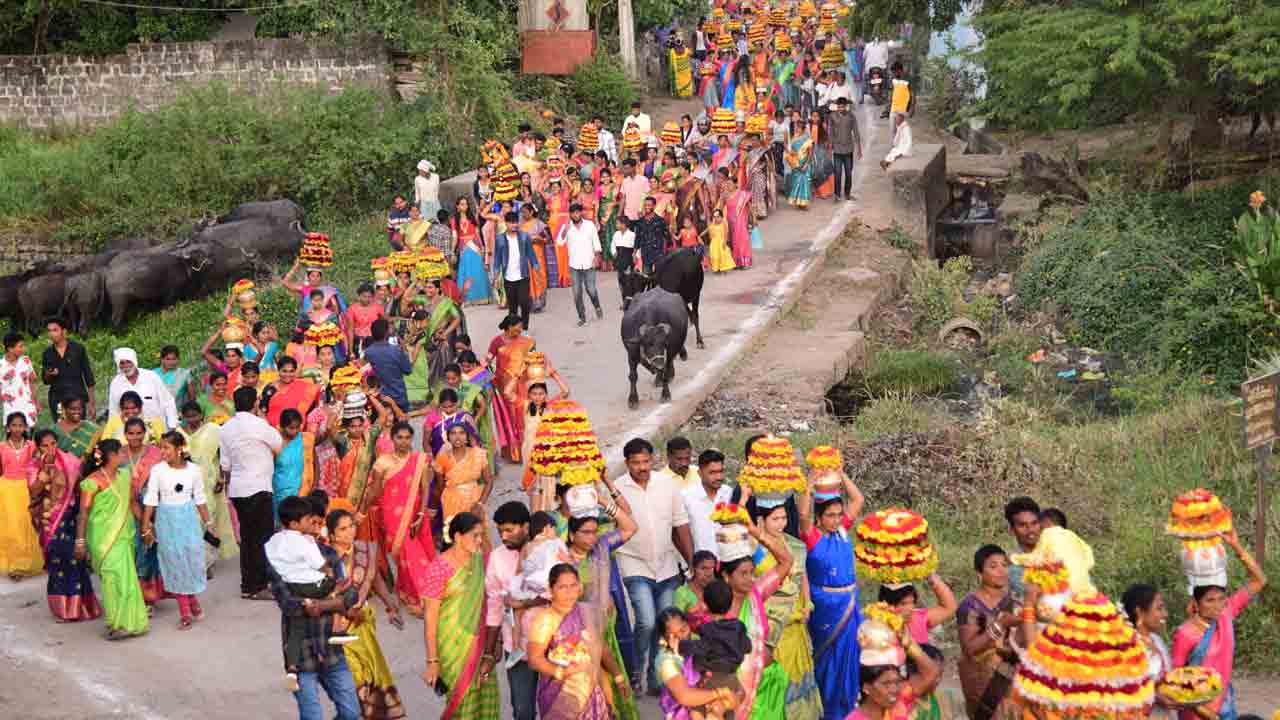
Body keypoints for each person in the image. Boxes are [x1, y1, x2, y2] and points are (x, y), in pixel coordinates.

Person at [614, 437, 694, 695]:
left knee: (665, 624)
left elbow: (680, 525)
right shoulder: (617, 489)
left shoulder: (666, 485)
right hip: (633, 562)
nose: (642, 467)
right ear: (627, 463)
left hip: (667, 565)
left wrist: (692, 562)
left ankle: (656, 676)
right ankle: (637, 670)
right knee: (647, 621)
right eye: (636, 463)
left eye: (646, 461)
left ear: (653, 460)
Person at [266, 511, 362, 720]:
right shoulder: (278, 558)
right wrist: (331, 602)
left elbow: (350, 595)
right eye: (311, 524)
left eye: (320, 523)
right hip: (301, 654)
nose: (317, 529)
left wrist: (320, 604)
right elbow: (288, 604)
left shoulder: (329, 555)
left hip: (331, 649)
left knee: (352, 713)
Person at [1172, 530, 1267, 720]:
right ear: (1196, 603)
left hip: (1225, 704)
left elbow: (1259, 580)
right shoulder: (1185, 634)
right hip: (1196, 713)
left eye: (1221, 598)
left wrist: (1236, 545)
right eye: (1210, 600)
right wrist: (1206, 714)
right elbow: (1174, 684)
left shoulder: (1226, 613)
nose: (1217, 605)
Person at [324, 507, 406, 719]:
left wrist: (390, 604)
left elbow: (375, 578)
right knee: (356, 681)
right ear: (332, 535)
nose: (349, 531)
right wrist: (348, 611)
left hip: (363, 623)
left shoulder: (363, 551)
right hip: (338, 627)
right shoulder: (324, 559)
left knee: (370, 675)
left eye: (351, 526)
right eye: (342, 529)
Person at [714, 504, 795, 718]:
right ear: (726, 576)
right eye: (744, 574)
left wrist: (753, 530)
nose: (751, 579)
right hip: (733, 693)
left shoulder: (756, 593)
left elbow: (786, 561)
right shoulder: (715, 609)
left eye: (752, 572)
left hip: (764, 689)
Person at [799, 467, 866, 720]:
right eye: (830, 516)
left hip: (849, 603)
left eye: (839, 515)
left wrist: (842, 474)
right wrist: (809, 484)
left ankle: (849, 709)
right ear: (819, 518)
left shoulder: (842, 532)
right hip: (825, 607)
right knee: (828, 662)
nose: (837, 519)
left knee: (851, 659)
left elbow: (857, 500)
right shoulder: (812, 536)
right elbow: (803, 512)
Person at [751, 495, 823, 720]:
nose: (781, 523)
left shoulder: (795, 545)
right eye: (775, 519)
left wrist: (808, 603)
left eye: (784, 518)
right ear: (761, 521)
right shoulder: (753, 548)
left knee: (798, 673)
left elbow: (803, 577)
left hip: (797, 619)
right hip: (771, 620)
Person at [422, 511, 499, 718]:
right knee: (462, 700)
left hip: (481, 643)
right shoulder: (439, 568)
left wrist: (495, 645)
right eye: (475, 535)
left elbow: (490, 603)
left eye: (481, 535)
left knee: (485, 696)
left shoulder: (480, 561)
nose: (480, 540)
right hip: (453, 646)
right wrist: (432, 661)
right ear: (457, 537)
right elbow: (430, 616)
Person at [74, 439, 149, 640]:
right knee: (109, 578)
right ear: (111, 456)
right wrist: (80, 541)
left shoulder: (125, 476)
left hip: (124, 535)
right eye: (121, 453)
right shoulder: (92, 482)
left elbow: (133, 503)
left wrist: (146, 527)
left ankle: (126, 623)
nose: (125, 456)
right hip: (100, 539)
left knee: (124, 577)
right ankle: (117, 620)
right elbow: (83, 513)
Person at [526, 563, 617, 719]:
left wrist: (618, 675)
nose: (569, 592)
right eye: (562, 587)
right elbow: (534, 659)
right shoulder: (545, 619)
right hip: (560, 692)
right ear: (550, 589)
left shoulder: (586, 611)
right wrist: (562, 672)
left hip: (591, 687)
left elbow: (600, 647)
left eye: (573, 585)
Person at [141, 430, 211, 630]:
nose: (162, 452)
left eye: (166, 448)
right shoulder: (158, 471)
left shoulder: (193, 471)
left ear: (180, 449)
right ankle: (185, 612)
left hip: (188, 520)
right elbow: (151, 499)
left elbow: (200, 498)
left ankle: (193, 601)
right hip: (167, 521)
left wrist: (209, 524)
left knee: (189, 561)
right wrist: (146, 526)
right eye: (161, 447)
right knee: (175, 562)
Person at [220, 386, 285, 600]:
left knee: (248, 538)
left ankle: (248, 585)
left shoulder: (226, 428)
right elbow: (278, 445)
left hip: (238, 489)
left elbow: (225, 464)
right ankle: (258, 585)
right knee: (262, 537)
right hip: (258, 487)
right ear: (255, 403)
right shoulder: (259, 425)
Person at [31, 429, 100, 620]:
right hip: (48, 521)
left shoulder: (69, 461)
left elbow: (80, 486)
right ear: (38, 448)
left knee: (74, 560)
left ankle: (82, 608)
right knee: (56, 560)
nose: (50, 448)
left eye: (53, 443)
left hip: (69, 517)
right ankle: (62, 609)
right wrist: (45, 470)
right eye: (45, 445)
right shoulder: (34, 465)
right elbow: (35, 492)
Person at [371, 421, 435, 615]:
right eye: (399, 437)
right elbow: (375, 491)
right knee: (403, 557)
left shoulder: (420, 460)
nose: (404, 442)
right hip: (391, 515)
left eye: (407, 438)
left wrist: (422, 514)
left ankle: (421, 598)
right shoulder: (382, 462)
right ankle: (409, 592)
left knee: (416, 557)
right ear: (392, 439)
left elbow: (425, 490)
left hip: (416, 514)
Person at [956, 545, 1018, 720]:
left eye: (1004, 565)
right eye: (993, 566)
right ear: (979, 573)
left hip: (1013, 679)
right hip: (984, 683)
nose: (1001, 571)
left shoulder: (1014, 601)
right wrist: (1000, 625)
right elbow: (970, 649)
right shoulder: (969, 606)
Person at [179, 401, 238, 571]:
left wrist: (222, 479)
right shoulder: (178, 434)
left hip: (210, 483)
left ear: (201, 415)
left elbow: (223, 454)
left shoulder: (213, 430)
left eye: (195, 416)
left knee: (208, 522)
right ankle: (196, 562)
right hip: (186, 485)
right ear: (182, 417)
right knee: (191, 523)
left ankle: (207, 562)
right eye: (188, 416)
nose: (192, 420)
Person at [655, 608, 741, 719]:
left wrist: (727, 702)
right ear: (665, 639)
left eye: (683, 630)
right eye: (673, 635)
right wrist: (721, 693)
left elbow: (738, 688)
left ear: (688, 625)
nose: (681, 637)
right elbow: (685, 697)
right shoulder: (666, 661)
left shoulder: (699, 645)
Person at [1122, 583, 1175, 720]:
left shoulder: (1156, 640)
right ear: (1139, 612)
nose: (1165, 614)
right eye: (1159, 608)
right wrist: (1154, 696)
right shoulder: (1127, 645)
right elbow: (1124, 687)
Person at [432, 416, 493, 531]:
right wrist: (434, 510)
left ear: (467, 437)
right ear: (448, 438)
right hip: (451, 502)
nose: (457, 437)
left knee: (476, 537)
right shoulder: (442, 458)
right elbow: (439, 487)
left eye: (461, 433)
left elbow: (489, 480)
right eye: (453, 433)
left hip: (474, 501)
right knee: (456, 537)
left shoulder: (478, 454)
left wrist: (480, 504)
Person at [0, 412, 41, 579]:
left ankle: (27, 563)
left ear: (25, 427)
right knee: (11, 526)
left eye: (20, 425)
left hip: (26, 488)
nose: (17, 429)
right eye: (13, 425)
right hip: (7, 489)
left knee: (27, 525)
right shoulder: (1, 447)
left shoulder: (32, 446)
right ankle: (14, 565)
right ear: (8, 428)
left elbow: (37, 466)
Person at [491, 316, 538, 461]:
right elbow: (487, 359)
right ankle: (512, 453)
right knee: (508, 416)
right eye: (517, 327)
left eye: (521, 327)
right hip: (504, 385)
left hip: (522, 383)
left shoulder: (526, 341)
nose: (520, 330)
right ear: (508, 326)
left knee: (523, 415)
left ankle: (527, 450)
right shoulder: (497, 342)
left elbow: (534, 358)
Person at [879, 573, 958, 646]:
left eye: (912, 602)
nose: (910, 608)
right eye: (903, 604)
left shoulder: (918, 617)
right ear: (886, 605)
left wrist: (936, 583)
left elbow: (948, 608)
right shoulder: (876, 626)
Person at [558, 202, 604, 326]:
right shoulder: (567, 227)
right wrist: (565, 231)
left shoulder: (590, 225)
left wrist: (597, 257)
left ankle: (597, 306)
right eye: (573, 213)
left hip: (589, 263)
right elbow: (560, 242)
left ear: (581, 213)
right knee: (577, 293)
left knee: (591, 290)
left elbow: (596, 241)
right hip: (574, 265)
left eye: (577, 212)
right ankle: (582, 317)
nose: (575, 215)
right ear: (570, 214)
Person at [109, 347, 178, 430]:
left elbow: (168, 402)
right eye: (122, 363)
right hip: (130, 435)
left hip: (157, 430)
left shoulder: (151, 376)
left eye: (128, 362)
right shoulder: (116, 383)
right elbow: (113, 411)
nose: (126, 366)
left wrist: (173, 426)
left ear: (134, 361)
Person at [494, 211, 540, 330]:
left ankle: (525, 329)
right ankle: (512, 330)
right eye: (511, 223)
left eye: (516, 222)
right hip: (508, 277)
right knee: (513, 307)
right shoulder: (500, 239)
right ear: (506, 223)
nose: (514, 225)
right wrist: (495, 275)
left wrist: (536, 266)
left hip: (523, 275)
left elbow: (531, 253)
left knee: (525, 303)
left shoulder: (524, 236)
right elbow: (497, 258)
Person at [42, 319, 95, 421]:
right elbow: (46, 381)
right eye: (49, 331)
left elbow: (89, 377)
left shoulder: (78, 349)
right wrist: (49, 374)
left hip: (77, 397)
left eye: (55, 330)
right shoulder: (47, 353)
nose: (51, 334)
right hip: (57, 399)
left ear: (64, 331)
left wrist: (92, 404)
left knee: (78, 429)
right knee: (61, 430)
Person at [681, 449, 732, 556]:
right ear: (700, 473)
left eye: (720, 471)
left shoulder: (729, 494)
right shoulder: (686, 497)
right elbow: (681, 533)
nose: (719, 477)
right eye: (712, 473)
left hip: (728, 561)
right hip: (700, 565)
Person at [363, 318, 413, 412]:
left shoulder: (368, 352)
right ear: (387, 333)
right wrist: (406, 352)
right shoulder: (396, 351)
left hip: (378, 398)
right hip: (398, 397)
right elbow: (408, 370)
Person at [452, 196, 491, 306]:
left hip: (475, 247)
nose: (465, 206)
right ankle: (467, 298)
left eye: (466, 204)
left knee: (478, 270)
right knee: (466, 272)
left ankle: (482, 297)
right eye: (462, 204)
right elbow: (455, 236)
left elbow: (477, 233)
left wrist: (482, 247)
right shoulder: (454, 220)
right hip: (463, 248)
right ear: (457, 206)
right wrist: (452, 251)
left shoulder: (472, 217)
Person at [1003, 496, 1041, 596]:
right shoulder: (1013, 569)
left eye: (1034, 523)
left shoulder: (1059, 552)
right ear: (1011, 530)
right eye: (1023, 525)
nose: (1030, 530)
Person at [268, 356, 321, 428]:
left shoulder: (304, 386)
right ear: (278, 371)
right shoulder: (270, 389)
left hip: (297, 431)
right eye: (284, 371)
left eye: (291, 371)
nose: (288, 375)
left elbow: (314, 408)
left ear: (295, 371)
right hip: (274, 431)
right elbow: (263, 411)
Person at [827, 96, 862, 201]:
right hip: (837, 149)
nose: (840, 109)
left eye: (842, 107)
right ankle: (837, 195)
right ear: (837, 107)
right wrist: (830, 148)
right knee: (837, 173)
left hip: (848, 149)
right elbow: (830, 132)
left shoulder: (851, 116)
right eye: (839, 107)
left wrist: (859, 149)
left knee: (848, 173)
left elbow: (856, 132)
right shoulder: (832, 116)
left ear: (846, 106)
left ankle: (847, 194)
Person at [0, 332, 38, 425]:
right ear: (10, 349)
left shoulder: (26, 361)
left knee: (30, 434)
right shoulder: (1, 365)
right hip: (10, 406)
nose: (24, 349)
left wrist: (36, 402)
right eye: (20, 346)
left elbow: (32, 382)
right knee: (13, 435)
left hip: (28, 405)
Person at [631, 197, 673, 274]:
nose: (647, 207)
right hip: (645, 252)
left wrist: (670, 251)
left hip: (658, 252)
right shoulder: (640, 222)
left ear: (654, 206)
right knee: (646, 275)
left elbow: (667, 236)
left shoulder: (660, 221)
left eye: (649, 205)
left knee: (659, 274)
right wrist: (634, 253)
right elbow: (637, 238)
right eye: (645, 205)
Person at [345, 283, 386, 358]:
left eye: (369, 297)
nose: (367, 299)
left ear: (373, 297)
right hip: (358, 340)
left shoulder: (378, 307)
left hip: (373, 341)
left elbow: (384, 325)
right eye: (364, 296)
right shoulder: (352, 309)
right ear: (359, 296)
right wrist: (350, 350)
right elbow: (350, 330)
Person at [785, 114, 816, 210]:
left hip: (804, 163)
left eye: (798, 128)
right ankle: (798, 201)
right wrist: (791, 154)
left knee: (804, 183)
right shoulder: (794, 138)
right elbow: (791, 149)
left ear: (803, 129)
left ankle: (804, 203)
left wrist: (806, 164)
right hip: (795, 164)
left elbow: (810, 153)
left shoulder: (808, 139)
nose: (796, 129)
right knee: (796, 182)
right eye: (796, 128)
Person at [724, 177, 754, 269]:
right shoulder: (725, 195)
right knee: (733, 242)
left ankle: (745, 262)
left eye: (730, 184)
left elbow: (749, 206)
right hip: (730, 221)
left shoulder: (743, 194)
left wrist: (754, 218)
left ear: (736, 184)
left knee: (741, 240)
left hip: (740, 220)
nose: (728, 186)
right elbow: (720, 206)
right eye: (727, 184)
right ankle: (736, 262)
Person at [154, 344, 196, 410]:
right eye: (168, 359)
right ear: (162, 360)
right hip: (157, 412)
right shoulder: (153, 373)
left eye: (174, 359)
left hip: (179, 412)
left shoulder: (185, 374)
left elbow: (192, 397)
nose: (171, 362)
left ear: (178, 359)